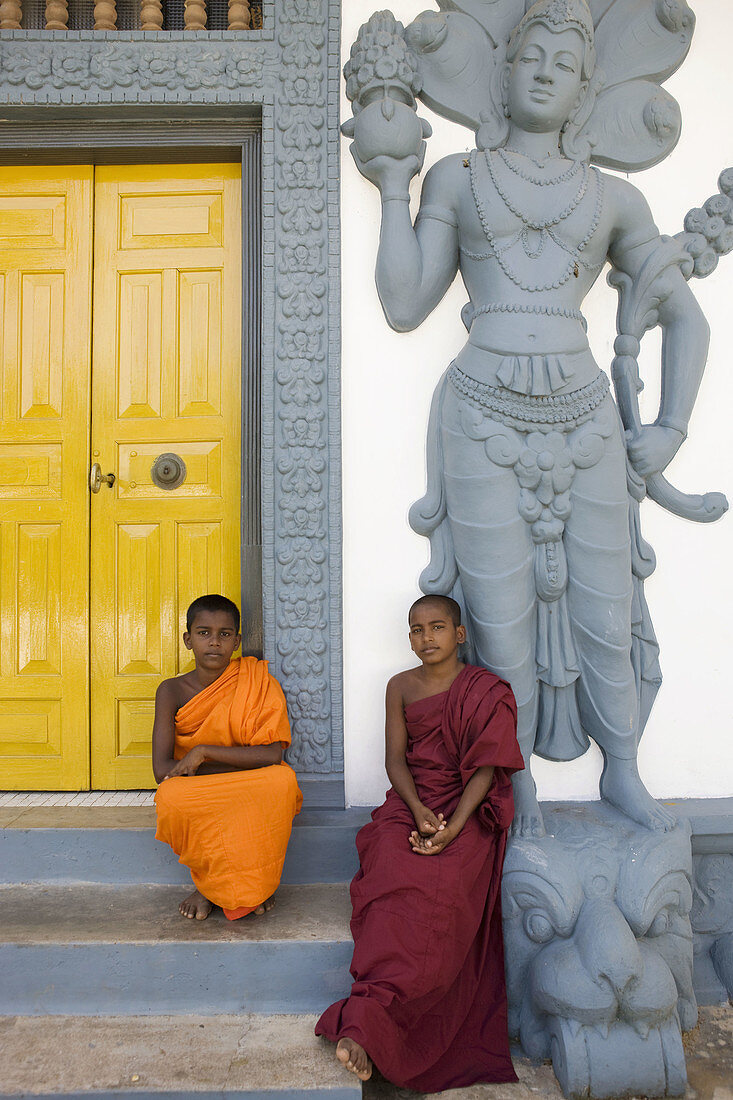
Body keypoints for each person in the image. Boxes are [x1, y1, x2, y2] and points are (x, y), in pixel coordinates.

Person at [349, 0, 710, 837]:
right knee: (498, 609)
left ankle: (622, 768)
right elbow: (404, 303)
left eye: (564, 63)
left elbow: (684, 317)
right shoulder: (457, 178)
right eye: (530, 57)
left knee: (604, 604)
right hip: (480, 409)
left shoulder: (613, 198)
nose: (545, 70)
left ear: (585, 90)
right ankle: (516, 785)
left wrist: (670, 426)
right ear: (501, 74)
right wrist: (396, 181)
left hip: (583, 415)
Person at [316, 594, 524, 1088]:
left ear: (459, 634)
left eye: (436, 627)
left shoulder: (485, 689)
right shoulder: (400, 687)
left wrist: (452, 826)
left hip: (466, 810)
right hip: (411, 802)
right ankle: (369, 1021)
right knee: (390, 871)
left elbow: (488, 766)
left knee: (446, 893)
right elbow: (395, 760)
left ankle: (378, 1029)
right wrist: (417, 810)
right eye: (415, 629)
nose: (425, 638)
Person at [153, 594, 302, 920]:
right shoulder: (171, 691)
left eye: (224, 634)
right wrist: (228, 765)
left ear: (236, 641)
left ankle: (250, 887)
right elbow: (162, 771)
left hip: (239, 779)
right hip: (203, 786)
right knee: (171, 797)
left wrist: (202, 753)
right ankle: (213, 887)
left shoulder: (257, 681)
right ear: (188, 639)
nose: (214, 642)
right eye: (204, 633)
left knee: (282, 781)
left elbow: (274, 754)